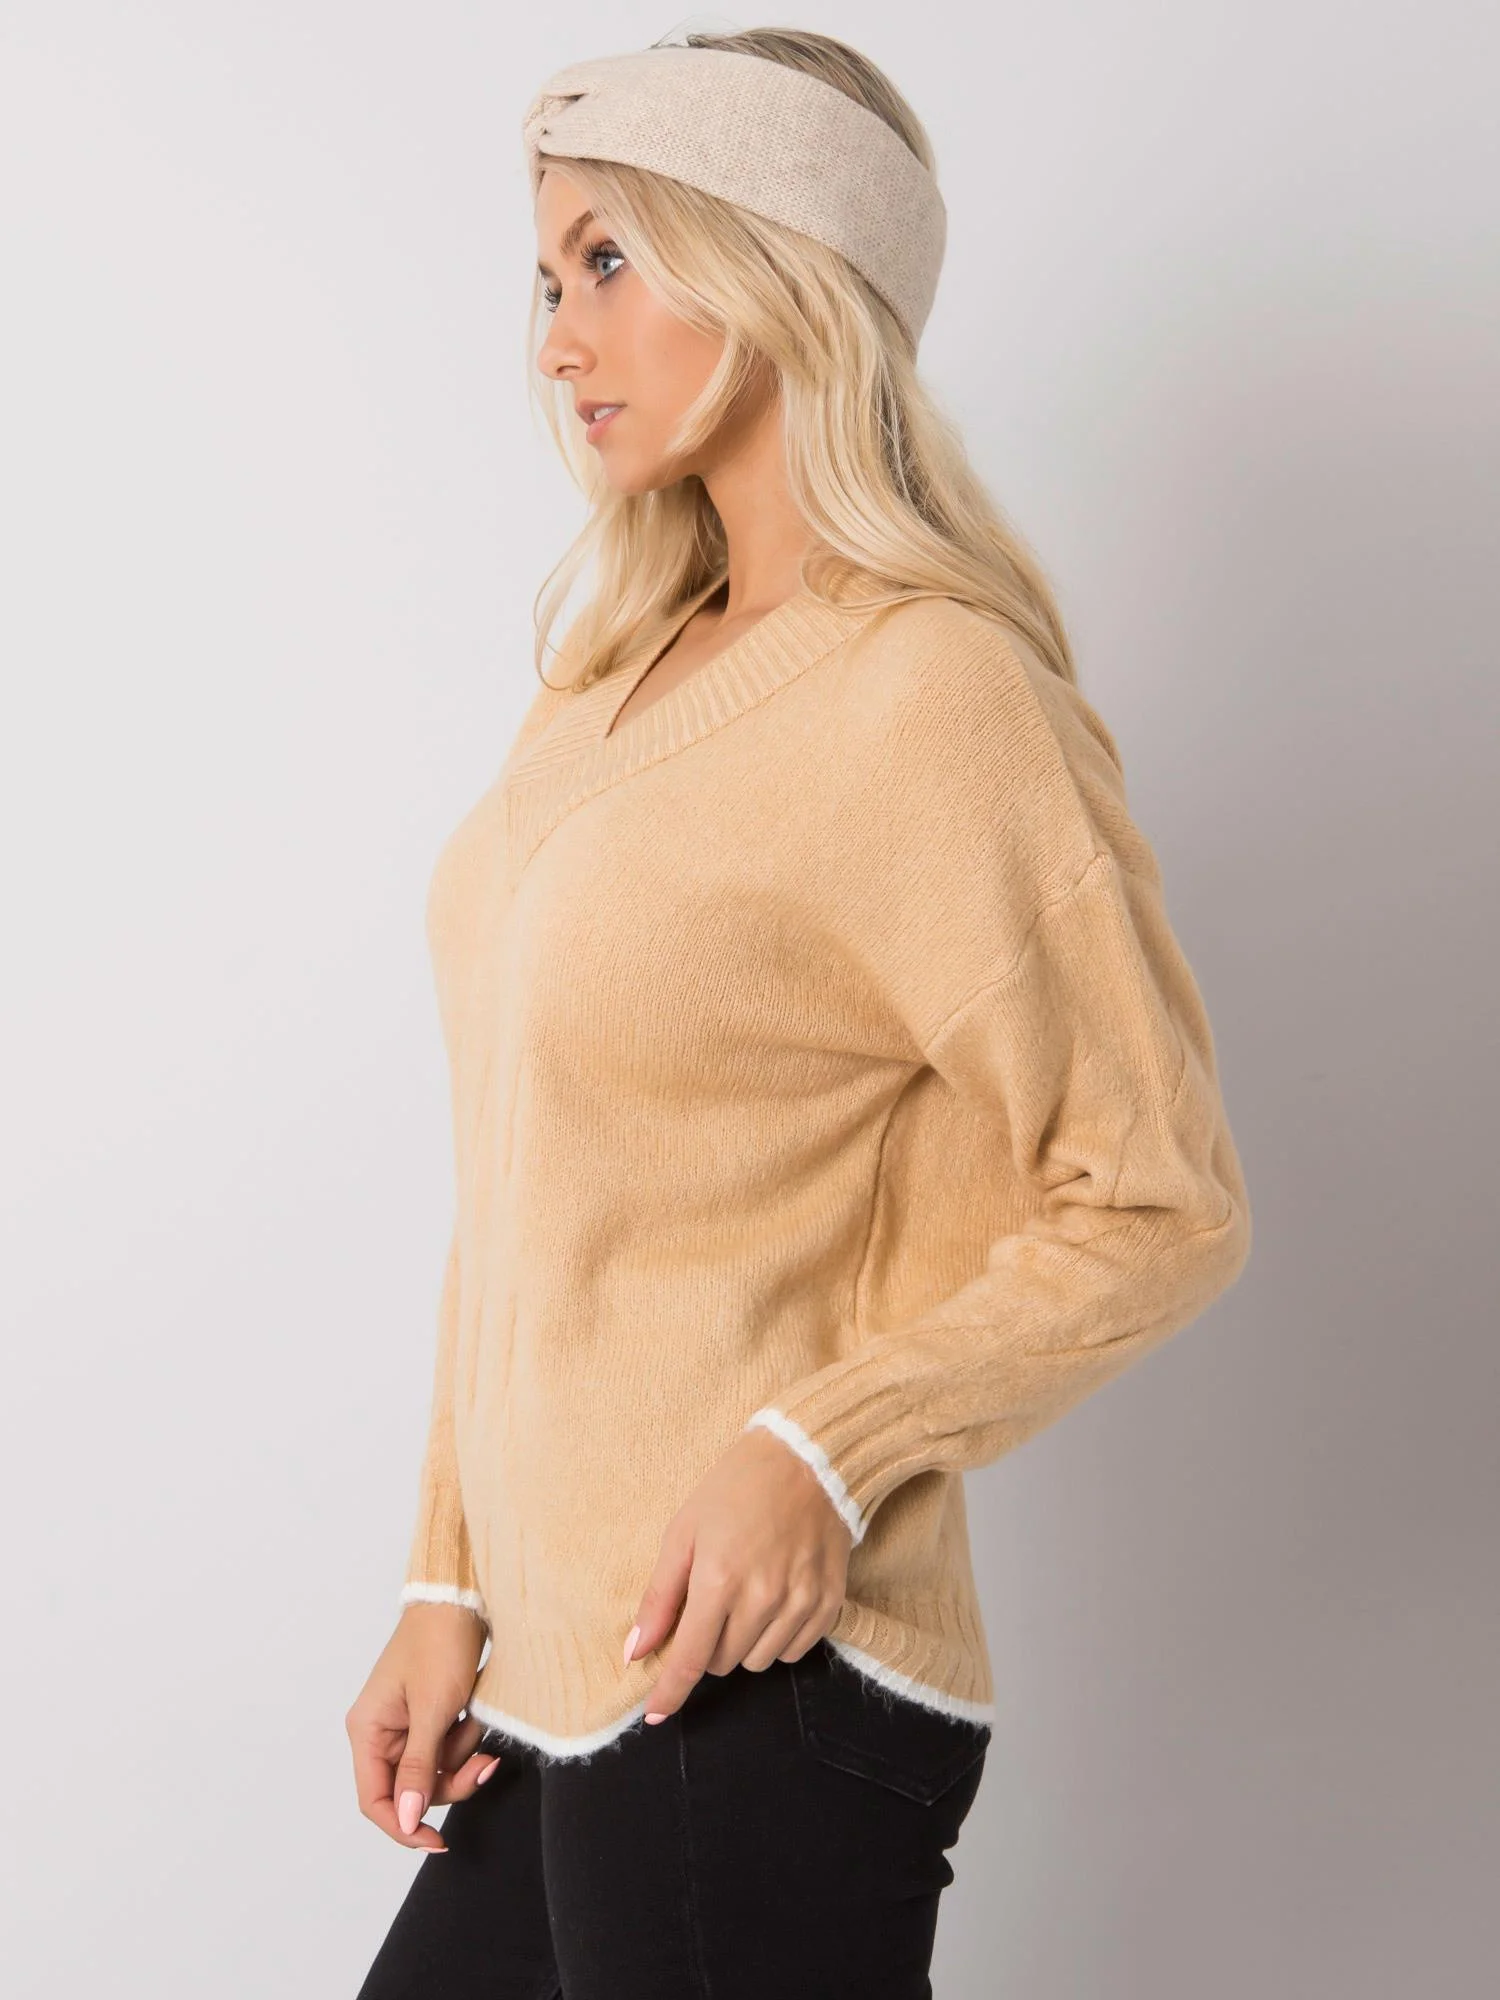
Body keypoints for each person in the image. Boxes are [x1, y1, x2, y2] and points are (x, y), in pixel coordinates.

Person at [347, 26, 1252, 1998]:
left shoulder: (930, 696)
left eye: (609, 260)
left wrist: (823, 1451)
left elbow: (1157, 1194)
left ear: (772, 260)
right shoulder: (603, 687)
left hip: (768, 1681)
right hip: (562, 1675)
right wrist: (446, 1574)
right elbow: (524, 1179)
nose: (558, 338)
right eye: (546, 277)